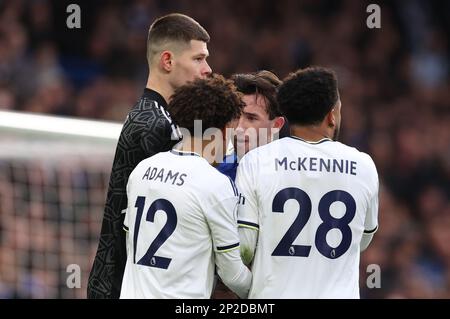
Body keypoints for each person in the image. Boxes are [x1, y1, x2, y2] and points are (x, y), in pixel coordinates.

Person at [88, 13, 212, 299]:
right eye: (198, 58)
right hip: (126, 285)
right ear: (167, 61)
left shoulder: (158, 117)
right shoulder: (152, 126)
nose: (208, 68)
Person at [236, 67, 379, 298]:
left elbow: (244, 249)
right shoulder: (364, 166)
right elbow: (362, 241)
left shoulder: (256, 161)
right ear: (332, 114)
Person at [120, 75, 251, 298]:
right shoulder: (216, 185)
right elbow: (233, 275)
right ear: (222, 129)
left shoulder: (141, 170)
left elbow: (130, 245)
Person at [216, 70, 289, 181]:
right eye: (234, 116)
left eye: (251, 118)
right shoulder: (217, 172)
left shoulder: (291, 176)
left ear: (276, 125)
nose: (238, 129)